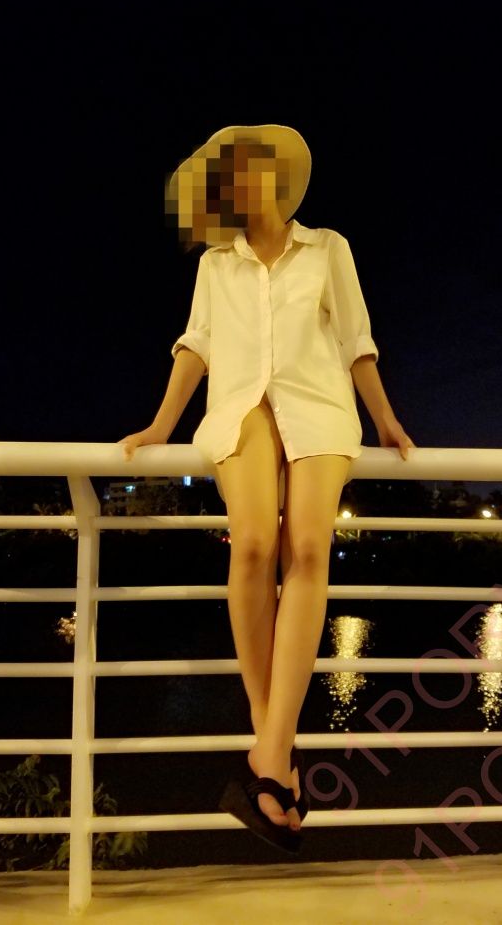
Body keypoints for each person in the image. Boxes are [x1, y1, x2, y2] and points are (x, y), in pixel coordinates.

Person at [118, 124, 415, 852]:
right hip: (241, 408)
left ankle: (269, 762)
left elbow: (356, 342)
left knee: (308, 549)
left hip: (319, 406)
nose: (241, 185)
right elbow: (196, 344)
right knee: (252, 544)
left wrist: (386, 419)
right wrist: (160, 424)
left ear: (276, 179)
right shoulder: (216, 264)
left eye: (250, 172)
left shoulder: (329, 248)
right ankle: (273, 753)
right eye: (230, 178)